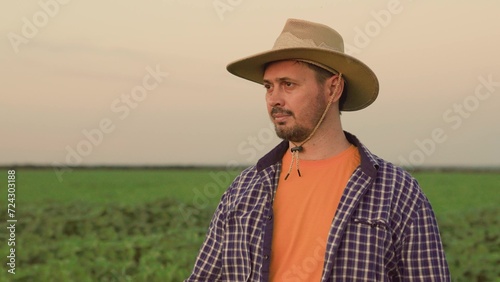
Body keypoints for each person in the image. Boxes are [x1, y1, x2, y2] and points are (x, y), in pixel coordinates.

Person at [186, 18, 450, 281]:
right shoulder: (243, 189)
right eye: (269, 87)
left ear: (333, 88)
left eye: (288, 84)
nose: (274, 99)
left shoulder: (397, 192)